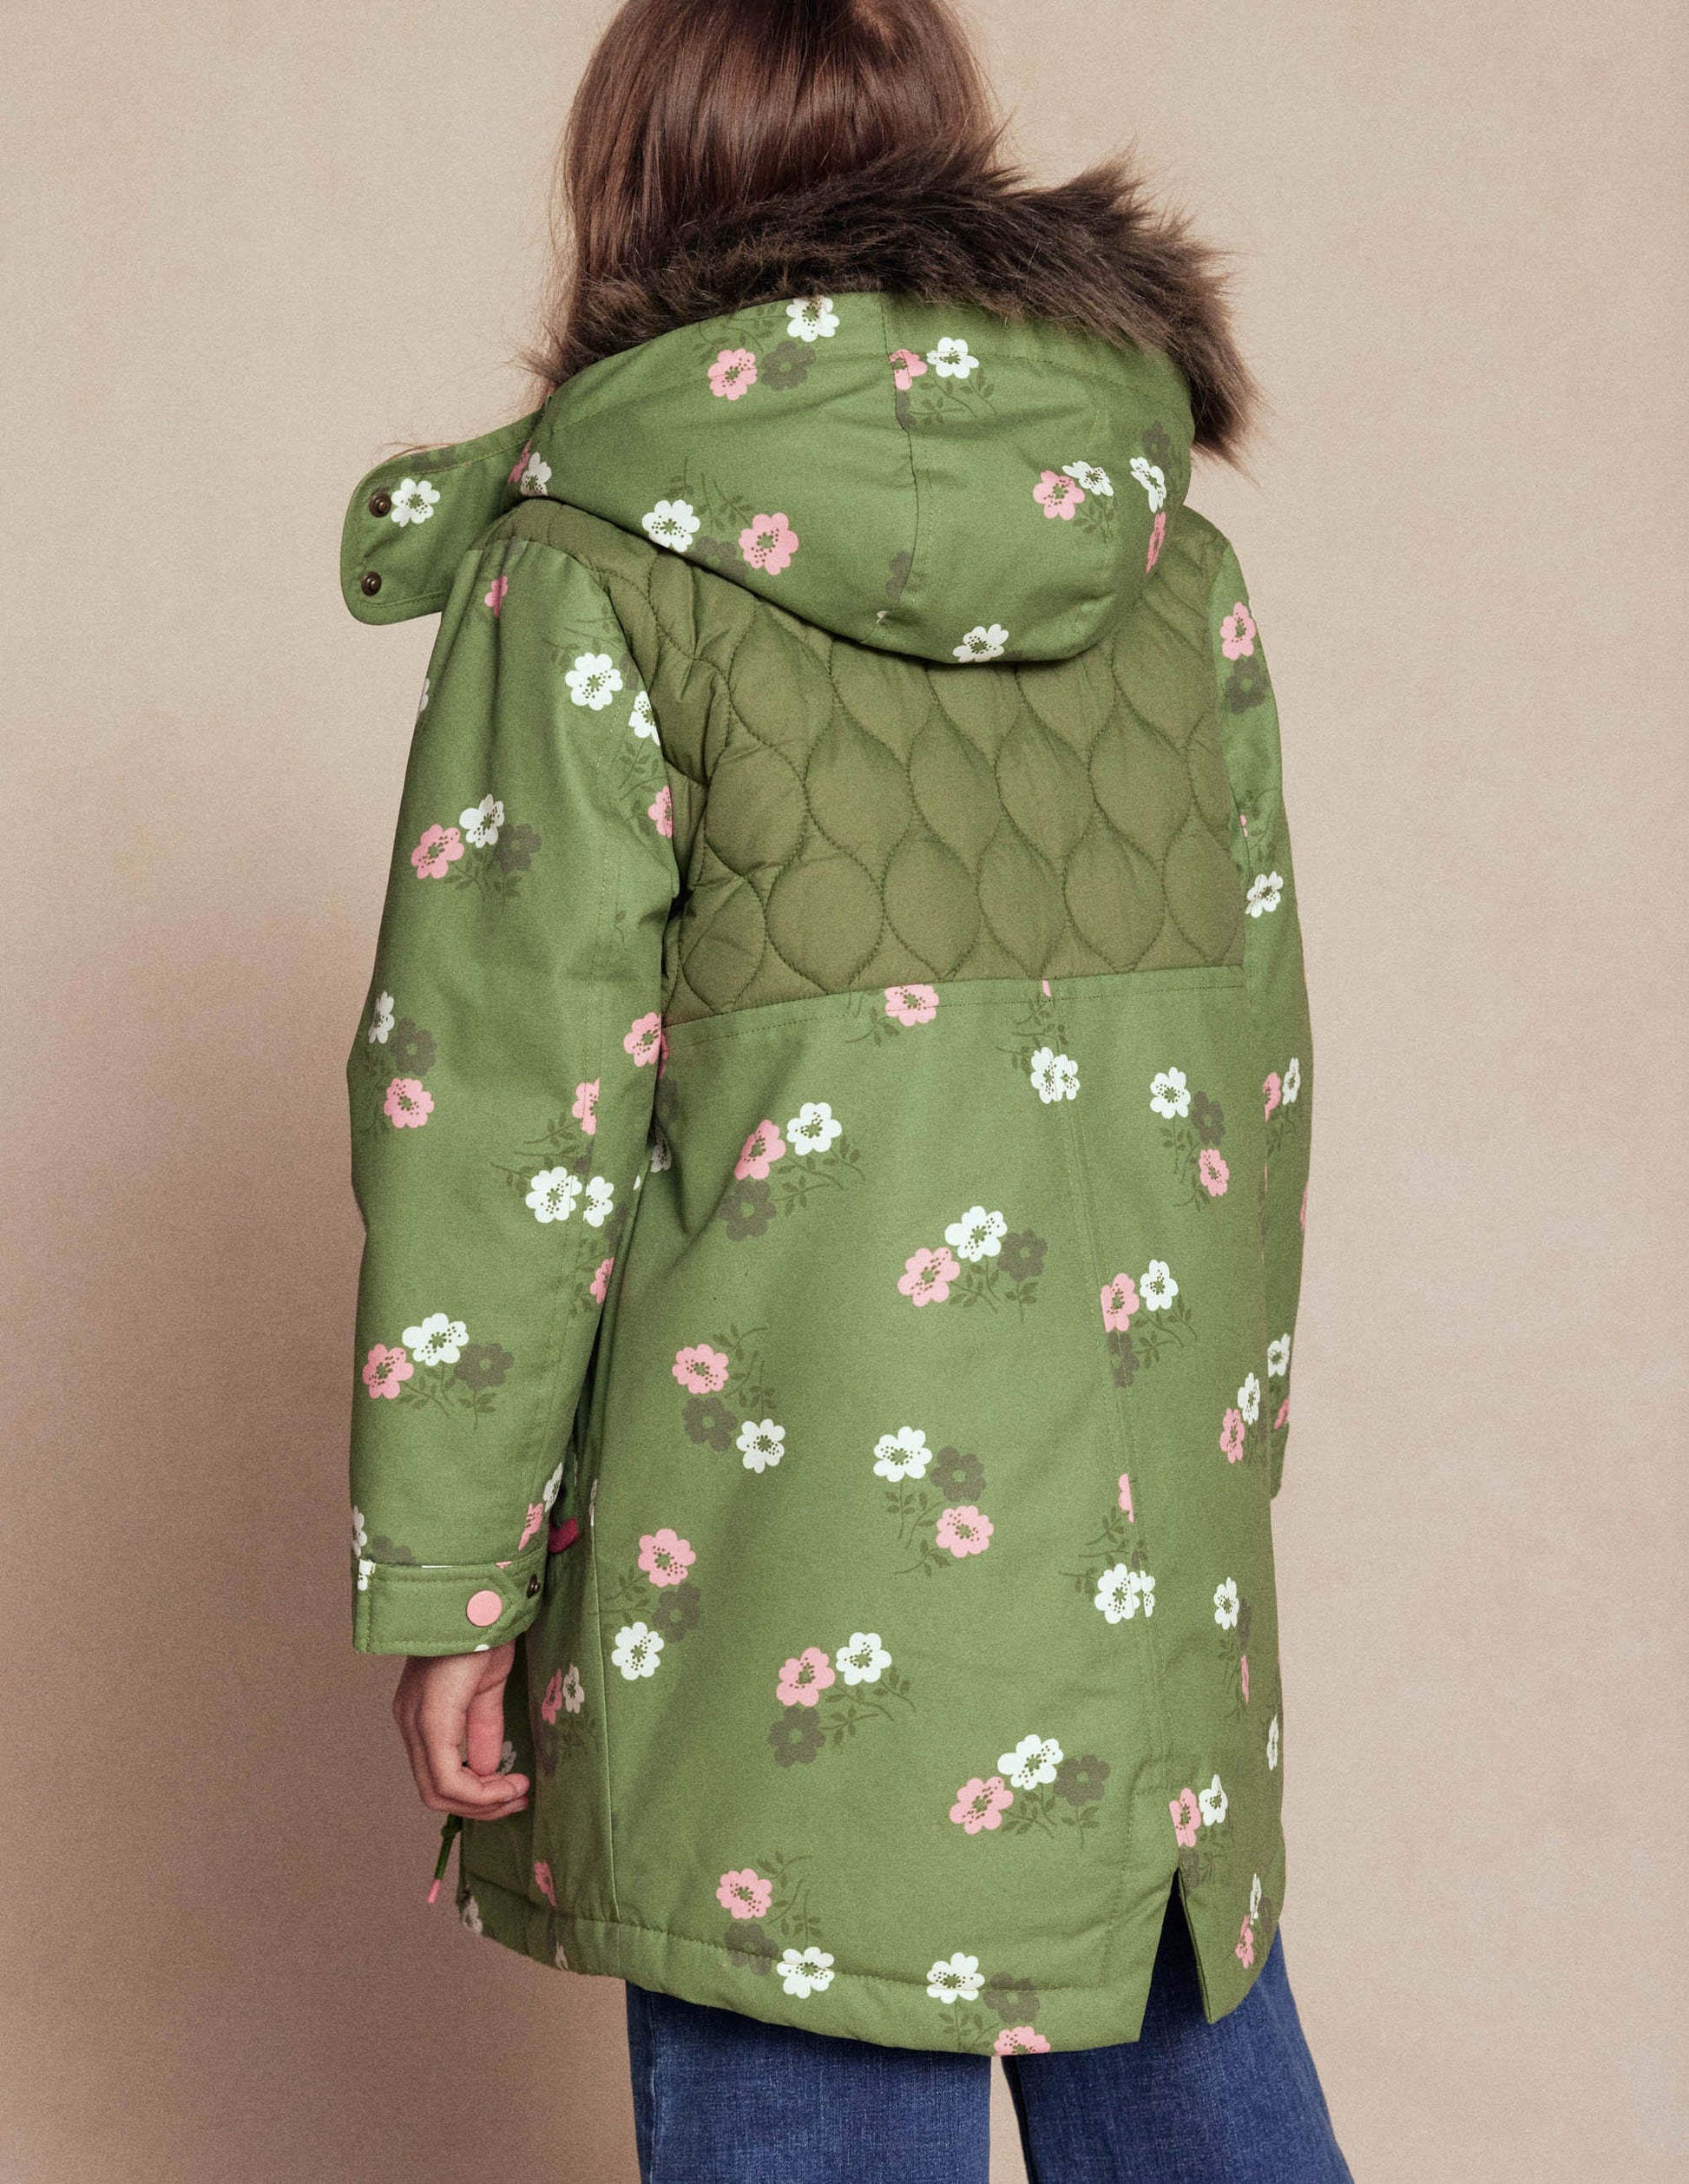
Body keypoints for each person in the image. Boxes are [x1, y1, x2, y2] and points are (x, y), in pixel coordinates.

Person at [338, 3, 1346, 2177]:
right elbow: (1258, 1090)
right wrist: (1208, 1487)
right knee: (1187, 2078)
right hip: (1135, 1568)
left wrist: (449, 1581)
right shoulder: (1168, 566)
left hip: (771, 1597)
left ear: (632, 190)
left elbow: (499, 1116)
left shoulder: (586, 570)